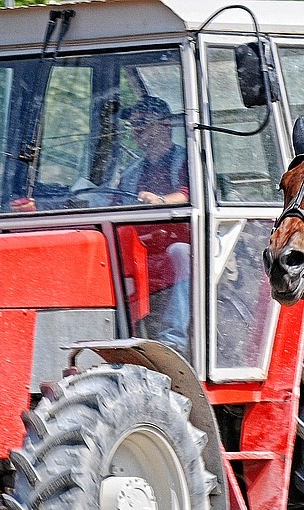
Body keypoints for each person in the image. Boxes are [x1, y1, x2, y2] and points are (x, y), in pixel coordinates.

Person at [117, 94, 192, 356]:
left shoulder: (187, 160)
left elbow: (188, 194)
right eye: (133, 125)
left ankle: (174, 341)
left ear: (166, 125)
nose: (136, 131)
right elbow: (115, 201)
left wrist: (160, 200)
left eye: (143, 123)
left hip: (186, 244)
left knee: (180, 253)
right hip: (145, 248)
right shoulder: (131, 172)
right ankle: (124, 337)